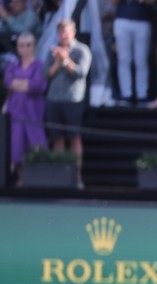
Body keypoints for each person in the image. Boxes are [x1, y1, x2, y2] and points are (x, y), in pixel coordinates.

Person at [44, 18, 91, 188]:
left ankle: (76, 177)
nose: (63, 35)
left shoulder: (82, 50)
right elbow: (46, 75)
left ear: (74, 32)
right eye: (61, 32)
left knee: (74, 138)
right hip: (53, 99)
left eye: (66, 32)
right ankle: (59, 176)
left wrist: (65, 61)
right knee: (57, 138)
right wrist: (58, 62)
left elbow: (81, 73)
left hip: (73, 100)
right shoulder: (52, 51)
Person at [3, 32, 47, 184]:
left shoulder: (40, 65)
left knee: (35, 142)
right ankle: (20, 178)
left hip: (33, 112)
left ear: (34, 47)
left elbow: (37, 86)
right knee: (16, 144)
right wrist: (25, 83)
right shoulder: (13, 65)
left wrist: (18, 83)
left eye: (28, 45)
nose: (25, 48)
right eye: (21, 45)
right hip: (15, 111)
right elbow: (8, 81)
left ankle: (37, 179)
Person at [113, 0, 153, 105]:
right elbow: (113, 1)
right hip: (122, 19)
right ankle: (126, 94)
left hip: (142, 20)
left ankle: (142, 94)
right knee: (123, 59)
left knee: (141, 60)